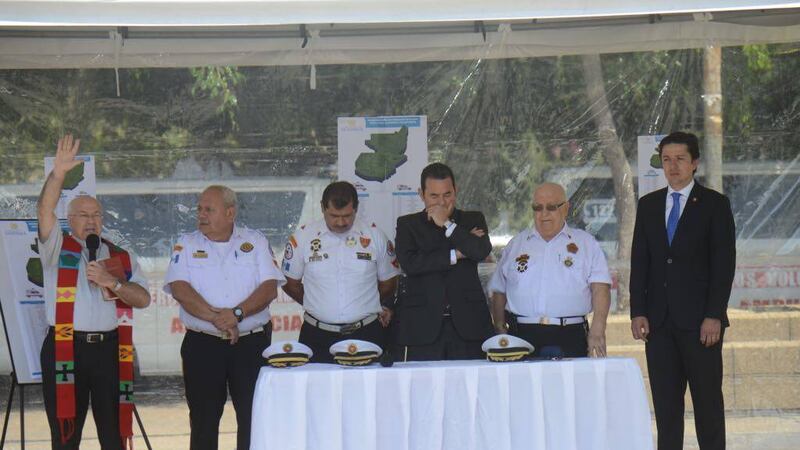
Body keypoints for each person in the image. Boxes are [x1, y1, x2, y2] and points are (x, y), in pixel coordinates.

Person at [37, 134, 151, 450]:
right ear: (69, 220)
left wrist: (112, 282)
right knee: (65, 435)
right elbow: (44, 212)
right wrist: (58, 174)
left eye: (96, 215)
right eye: (84, 215)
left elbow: (143, 299)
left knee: (114, 437)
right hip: (65, 348)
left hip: (110, 351)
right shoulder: (55, 248)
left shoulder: (119, 254)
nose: (92, 220)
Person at [630, 131, 736, 450]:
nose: (672, 166)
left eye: (679, 159)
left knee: (707, 408)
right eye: (666, 160)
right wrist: (638, 311)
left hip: (701, 325)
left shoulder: (715, 205)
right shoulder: (648, 205)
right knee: (666, 410)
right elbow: (641, 262)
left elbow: (723, 265)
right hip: (659, 325)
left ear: (694, 163)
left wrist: (713, 315)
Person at [164, 185, 285, 450]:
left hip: (250, 345)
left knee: (254, 418)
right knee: (203, 421)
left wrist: (237, 314)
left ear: (230, 213)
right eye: (199, 209)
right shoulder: (185, 243)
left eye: (209, 209)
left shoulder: (255, 241)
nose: (201, 215)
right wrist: (221, 319)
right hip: (203, 345)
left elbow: (269, 288)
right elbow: (180, 289)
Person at [488, 182, 611, 358]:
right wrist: (499, 327)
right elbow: (499, 288)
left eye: (551, 207)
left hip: (570, 334)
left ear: (566, 208)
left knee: (571, 385)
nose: (543, 214)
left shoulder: (586, 243)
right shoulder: (517, 244)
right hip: (521, 335)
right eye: (538, 208)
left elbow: (600, 288)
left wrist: (598, 328)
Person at [281, 181, 400, 363]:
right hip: (317, 335)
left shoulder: (375, 236)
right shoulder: (303, 237)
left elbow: (389, 283)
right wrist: (318, 303)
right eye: (334, 216)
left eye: (347, 215)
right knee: (318, 390)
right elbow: (290, 283)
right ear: (322, 208)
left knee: (368, 390)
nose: (341, 222)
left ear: (356, 208)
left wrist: (365, 302)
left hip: (366, 333)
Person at [393, 162, 493, 361]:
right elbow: (410, 264)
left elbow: (480, 250)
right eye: (434, 196)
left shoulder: (472, 219)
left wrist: (447, 224)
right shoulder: (408, 224)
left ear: (456, 191)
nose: (441, 203)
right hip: (423, 326)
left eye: (447, 195)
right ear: (421, 194)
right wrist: (457, 253)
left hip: (469, 324)